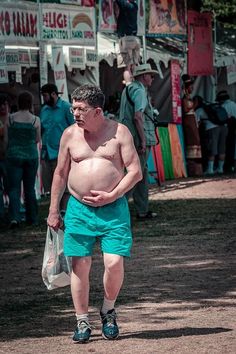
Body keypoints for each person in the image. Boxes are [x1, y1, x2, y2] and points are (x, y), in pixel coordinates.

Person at [47, 84, 142, 343]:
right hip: (78, 208)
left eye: (81, 109)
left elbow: (135, 171)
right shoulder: (69, 134)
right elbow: (60, 173)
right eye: (73, 107)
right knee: (80, 266)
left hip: (113, 209)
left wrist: (113, 195)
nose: (75, 113)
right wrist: (54, 209)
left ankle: (108, 310)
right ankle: (82, 321)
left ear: (98, 111)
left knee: (113, 262)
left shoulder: (120, 133)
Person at [119, 63, 158, 220]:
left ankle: (142, 210)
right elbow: (138, 117)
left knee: (140, 173)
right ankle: (116, 209)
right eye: (151, 75)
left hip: (128, 136)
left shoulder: (128, 88)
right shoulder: (140, 91)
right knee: (134, 175)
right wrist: (142, 141)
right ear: (144, 76)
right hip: (137, 137)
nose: (153, 78)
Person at [5, 91, 41, 228]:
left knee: (14, 189)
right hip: (31, 156)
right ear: (30, 103)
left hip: (13, 155)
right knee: (29, 188)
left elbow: (6, 140)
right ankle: (32, 218)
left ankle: (15, 217)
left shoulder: (10, 119)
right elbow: (37, 139)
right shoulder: (35, 120)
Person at [40, 83, 74, 212]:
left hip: (62, 152)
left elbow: (75, 128)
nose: (44, 99)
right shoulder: (44, 110)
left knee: (63, 183)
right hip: (47, 153)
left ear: (53, 94)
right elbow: (42, 130)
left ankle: (64, 211)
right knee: (52, 185)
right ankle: (56, 210)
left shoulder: (66, 108)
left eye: (45, 96)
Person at [193, 95, 228, 175]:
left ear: (196, 102)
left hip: (212, 129)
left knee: (212, 149)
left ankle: (210, 169)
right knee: (222, 148)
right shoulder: (213, 106)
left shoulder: (199, 110)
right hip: (224, 127)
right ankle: (220, 169)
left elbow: (196, 124)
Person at [181, 74, 202, 176]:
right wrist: (195, 105)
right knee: (192, 140)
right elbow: (185, 110)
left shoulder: (190, 98)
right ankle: (192, 167)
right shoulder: (185, 99)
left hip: (192, 121)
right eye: (190, 87)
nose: (192, 89)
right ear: (186, 87)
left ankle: (197, 166)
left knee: (196, 141)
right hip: (188, 122)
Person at [115, 0, 140, 84]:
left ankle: (129, 85)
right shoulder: (135, 6)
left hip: (126, 38)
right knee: (134, 65)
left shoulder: (125, 4)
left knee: (127, 67)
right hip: (134, 39)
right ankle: (136, 83)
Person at [216, 90, 236, 173]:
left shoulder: (223, 107)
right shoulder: (234, 104)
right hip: (234, 128)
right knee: (232, 147)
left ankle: (225, 166)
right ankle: (231, 166)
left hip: (226, 128)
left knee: (224, 147)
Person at [0, 94, 10, 224]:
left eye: (4, 104)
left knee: (10, 187)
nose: (2, 107)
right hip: (2, 157)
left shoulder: (12, 119)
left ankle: (12, 213)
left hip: (9, 158)